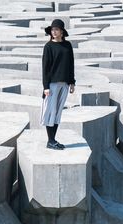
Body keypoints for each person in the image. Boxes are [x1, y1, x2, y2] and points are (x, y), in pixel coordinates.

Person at [40, 19, 76, 150]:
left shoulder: (68, 45)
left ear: (62, 32)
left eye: (56, 29)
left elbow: (71, 64)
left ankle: (53, 140)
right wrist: (46, 87)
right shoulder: (48, 46)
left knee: (58, 112)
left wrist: (72, 82)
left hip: (65, 84)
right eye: (52, 30)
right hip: (52, 84)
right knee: (50, 111)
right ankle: (50, 141)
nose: (54, 32)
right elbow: (45, 68)